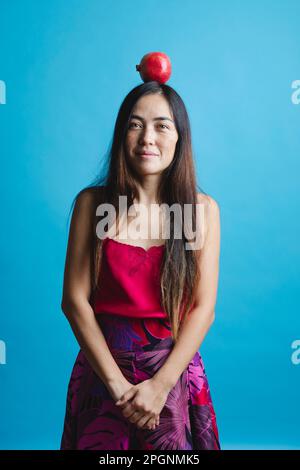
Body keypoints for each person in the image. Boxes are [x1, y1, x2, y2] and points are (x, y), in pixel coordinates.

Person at [59, 81, 221, 450]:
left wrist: (161, 386)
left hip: (172, 373)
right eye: (135, 124)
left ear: (180, 138)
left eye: (162, 125)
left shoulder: (200, 212)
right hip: (103, 371)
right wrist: (118, 387)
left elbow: (203, 309)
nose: (147, 137)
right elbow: (74, 301)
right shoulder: (93, 205)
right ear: (122, 134)